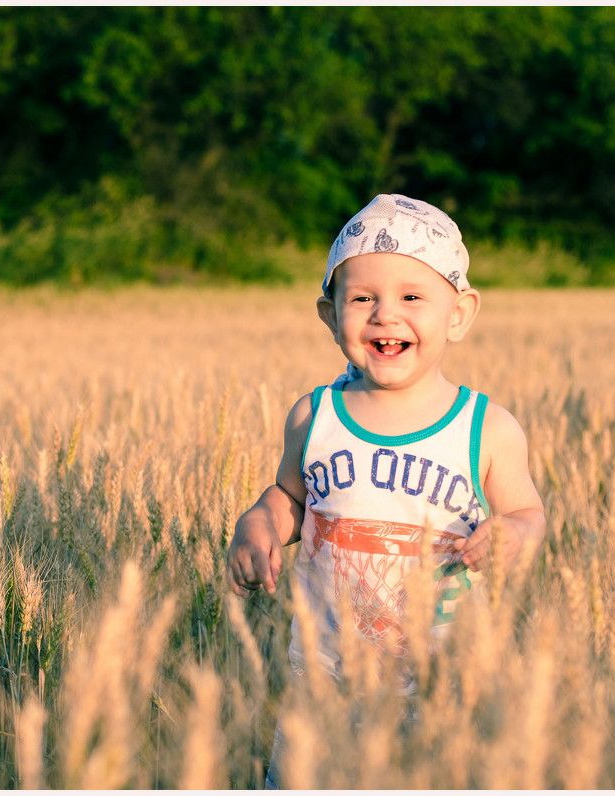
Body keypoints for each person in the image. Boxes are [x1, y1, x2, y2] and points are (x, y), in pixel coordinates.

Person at [224, 194, 546, 788]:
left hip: (443, 686)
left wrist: (516, 533)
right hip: (322, 686)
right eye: (363, 298)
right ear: (330, 315)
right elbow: (291, 497)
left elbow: (527, 511)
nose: (385, 316)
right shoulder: (314, 416)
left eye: (412, 297)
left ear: (459, 313)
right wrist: (260, 522)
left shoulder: (486, 429)